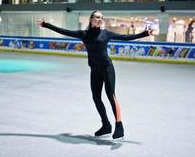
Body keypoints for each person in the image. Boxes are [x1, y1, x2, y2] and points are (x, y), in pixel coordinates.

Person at [38, 10, 154, 139]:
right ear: (91, 19)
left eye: (101, 17)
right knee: (96, 98)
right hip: (94, 70)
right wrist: (46, 25)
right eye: (97, 17)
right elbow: (64, 31)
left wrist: (145, 33)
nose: (100, 19)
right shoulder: (84, 34)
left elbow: (125, 38)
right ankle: (106, 125)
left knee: (111, 96)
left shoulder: (106, 34)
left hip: (107, 68)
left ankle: (119, 125)